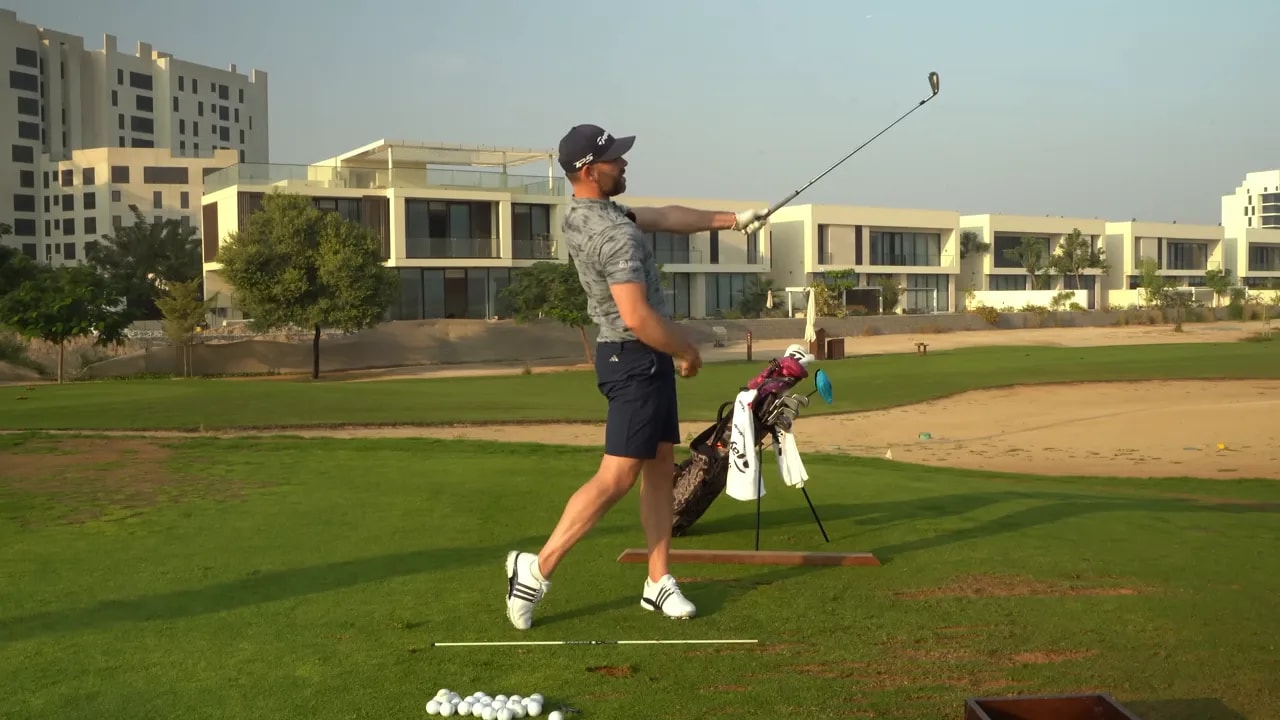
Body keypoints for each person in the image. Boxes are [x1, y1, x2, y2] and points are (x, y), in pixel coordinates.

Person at [504, 124, 768, 629]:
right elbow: (637, 317)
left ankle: (657, 580)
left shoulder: (588, 214)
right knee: (618, 476)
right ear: (588, 170)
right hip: (634, 356)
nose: (624, 165)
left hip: (635, 359)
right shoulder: (613, 233)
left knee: (659, 468)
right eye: (614, 160)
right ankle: (535, 570)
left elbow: (666, 216)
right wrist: (685, 349)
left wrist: (735, 220)